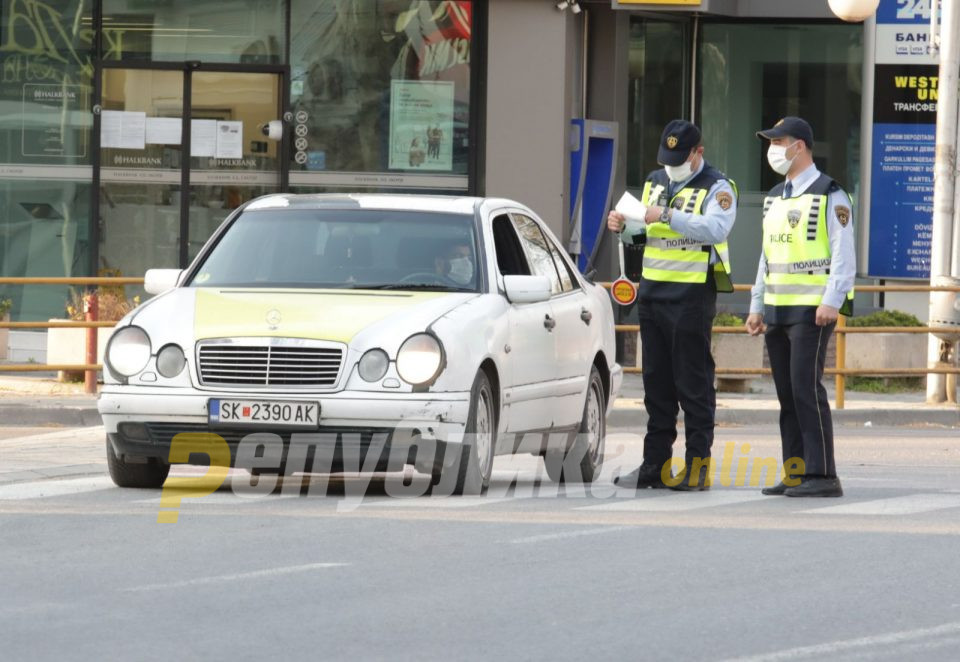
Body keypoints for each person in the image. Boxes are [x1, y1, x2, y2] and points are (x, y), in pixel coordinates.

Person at [607, 119, 738, 491]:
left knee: (693, 384)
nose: (671, 165)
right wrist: (623, 224)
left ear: (698, 153)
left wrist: (663, 214)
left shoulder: (718, 187)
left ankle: (697, 466)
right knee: (657, 386)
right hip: (653, 294)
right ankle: (656, 465)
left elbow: (715, 229)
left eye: (680, 158)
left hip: (690, 296)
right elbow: (644, 232)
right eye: (667, 158)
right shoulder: (655, 181)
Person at [747, 117, 855, 498]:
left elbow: (843, 253)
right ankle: (796, 471)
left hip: (812, 309)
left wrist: (832, 300)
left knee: (805, 388)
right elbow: (767, 254)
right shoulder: (776, 195)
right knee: (787, 393)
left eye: (780, 141)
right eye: (771, 141)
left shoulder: (831, 193)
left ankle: (823, 475)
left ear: (801, 146)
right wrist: (756, 304)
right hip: (778, 306)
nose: (774, 148)